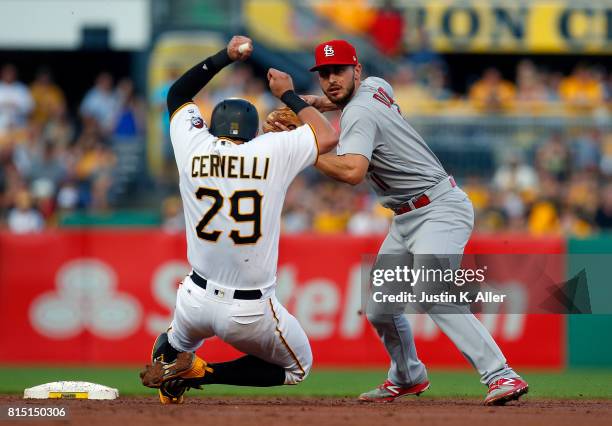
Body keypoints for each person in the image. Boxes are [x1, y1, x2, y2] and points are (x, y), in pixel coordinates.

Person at [303, 39, 528, 405]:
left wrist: (304, 147)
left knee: (431, 292)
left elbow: (351, 171)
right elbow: (350, 99)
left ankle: (502, 375)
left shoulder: (359, 114)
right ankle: (407, 375)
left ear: (355, 70)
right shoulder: (376, 85)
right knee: (379, 307)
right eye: (325, 73)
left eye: (339, 71)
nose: (331, 79)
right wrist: (315, 104)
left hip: (439, 208)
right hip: (407, 217)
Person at [139, 35, 338, 404]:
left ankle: (172, 367)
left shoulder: (194, 145)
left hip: (195, 298)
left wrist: (224, 57)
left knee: (174, 340)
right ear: (252, 132)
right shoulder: (271, 149)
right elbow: (326, 135)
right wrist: (289, 96)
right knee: (298, 367)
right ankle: (203, 371)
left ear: (213, 128)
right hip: (249, 310)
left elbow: (176, 94)